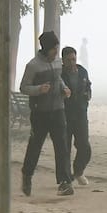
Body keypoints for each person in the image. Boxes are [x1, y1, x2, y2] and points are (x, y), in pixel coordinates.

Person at [19, 31, 74, 197]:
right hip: (40, 113)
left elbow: (58, 79)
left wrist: (64, 88)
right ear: (45, 48)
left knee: (62, 147)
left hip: (58, 110)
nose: (56, 52)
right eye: (53, 49)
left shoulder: (58, 62)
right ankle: (27, 175)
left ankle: (64, 182)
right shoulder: (33, 66)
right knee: (35, 147)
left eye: (57, 48)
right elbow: (23, 87)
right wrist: (38, 90)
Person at [61, 46, 93, 186]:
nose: (72, 63)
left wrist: (87, 97)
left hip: (80, 114)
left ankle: (78, 171)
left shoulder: (82, 71)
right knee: (64, 149)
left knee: (84, 146)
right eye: (68, 60)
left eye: (73, 59)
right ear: (63, 61)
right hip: (64, 115)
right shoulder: (59, 74)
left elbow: (88, 87)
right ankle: (66, 178)